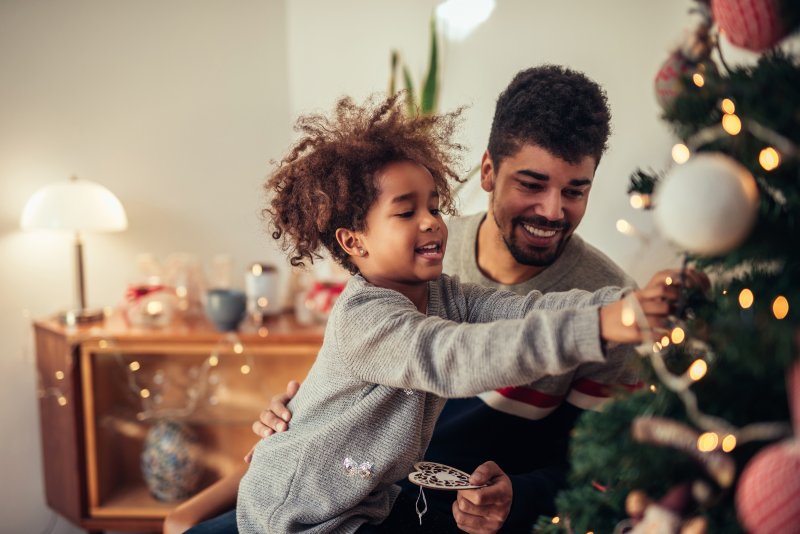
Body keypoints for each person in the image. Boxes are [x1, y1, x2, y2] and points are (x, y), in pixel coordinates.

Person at [187, 91, 685, 534]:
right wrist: (601, 324)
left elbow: (527, 312)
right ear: (353, 241)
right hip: (295, 515)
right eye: (407, 212)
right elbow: (452, 356)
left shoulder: (445, 289)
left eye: (433, 206)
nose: (430, 222)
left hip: (377, 502)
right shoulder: (368, 312)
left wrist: (623, 307)